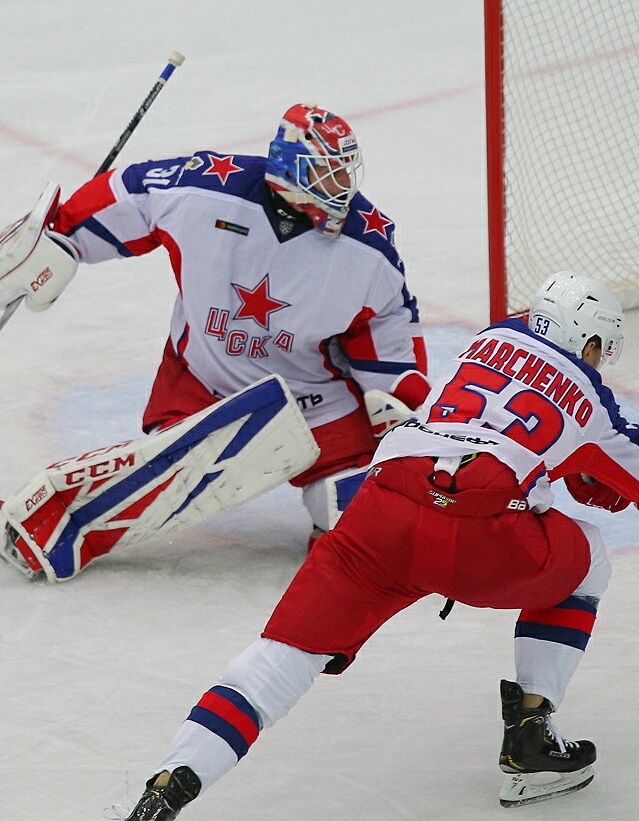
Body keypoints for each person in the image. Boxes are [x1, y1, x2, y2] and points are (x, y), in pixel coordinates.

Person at [117, 271, 639, 819]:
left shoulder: (487, 342)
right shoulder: (588, 395)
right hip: (483, 535)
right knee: (586, 560)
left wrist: (580, 476)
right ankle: (531, 729)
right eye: (599, 347)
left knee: (276, 663)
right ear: (584, 337)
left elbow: (487, 425)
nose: (599, 360)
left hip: (381, 514)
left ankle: (170, 783)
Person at [0, 103, 430, 582]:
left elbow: (388, 324)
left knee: (369, 522)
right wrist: (65, 235)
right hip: (205, 380)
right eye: (325, 175)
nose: (341, 189)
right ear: (287, 166)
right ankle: (55, 515)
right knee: (173, 473)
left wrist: (401, 397)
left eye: (343, 174)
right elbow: (134, 191)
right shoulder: (207, 190)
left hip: (317, 404)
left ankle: (338, 503)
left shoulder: (368, 245)